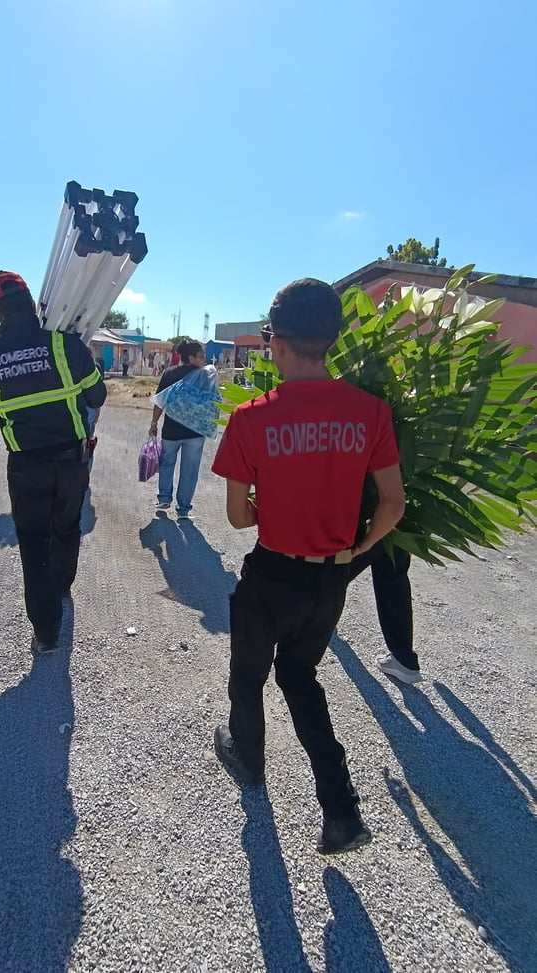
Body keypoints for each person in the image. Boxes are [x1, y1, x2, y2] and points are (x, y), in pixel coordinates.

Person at [211, 278, 405, 855]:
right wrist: (353, 549)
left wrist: (273, 500)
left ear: (276, 342)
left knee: (249, 673)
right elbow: (393, 506)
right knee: (300, 677)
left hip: (272, 574)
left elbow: (239, 520)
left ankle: (248, 756)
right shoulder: (371, 412)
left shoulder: (251, 418)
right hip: (330, 578)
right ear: (333, 339)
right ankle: (341, 810)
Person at [0, 270, 107, 653]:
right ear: (34, 305)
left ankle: (46, 633)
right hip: (70, 460)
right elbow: (96, 398)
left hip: (25, 465)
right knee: (66, 527)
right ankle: (61, 587)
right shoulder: (66, 346)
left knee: (33, 543)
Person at [148, 340, 209, 520]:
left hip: (171, 431)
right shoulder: (204, 376)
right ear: (191, 358)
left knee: (167, 464)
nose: (204, 359)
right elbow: (211, 402)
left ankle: (164, 498)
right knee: (190, 471)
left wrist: (154, 423)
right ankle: (183, 509)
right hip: (195, 433)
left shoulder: (169, 373)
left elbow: (160, 401)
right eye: (201, 356)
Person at [348, 544, 420, 682]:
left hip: (361, 528)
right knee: (393, 577)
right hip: (399, 527)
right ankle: (403, 658)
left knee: (331, 575)